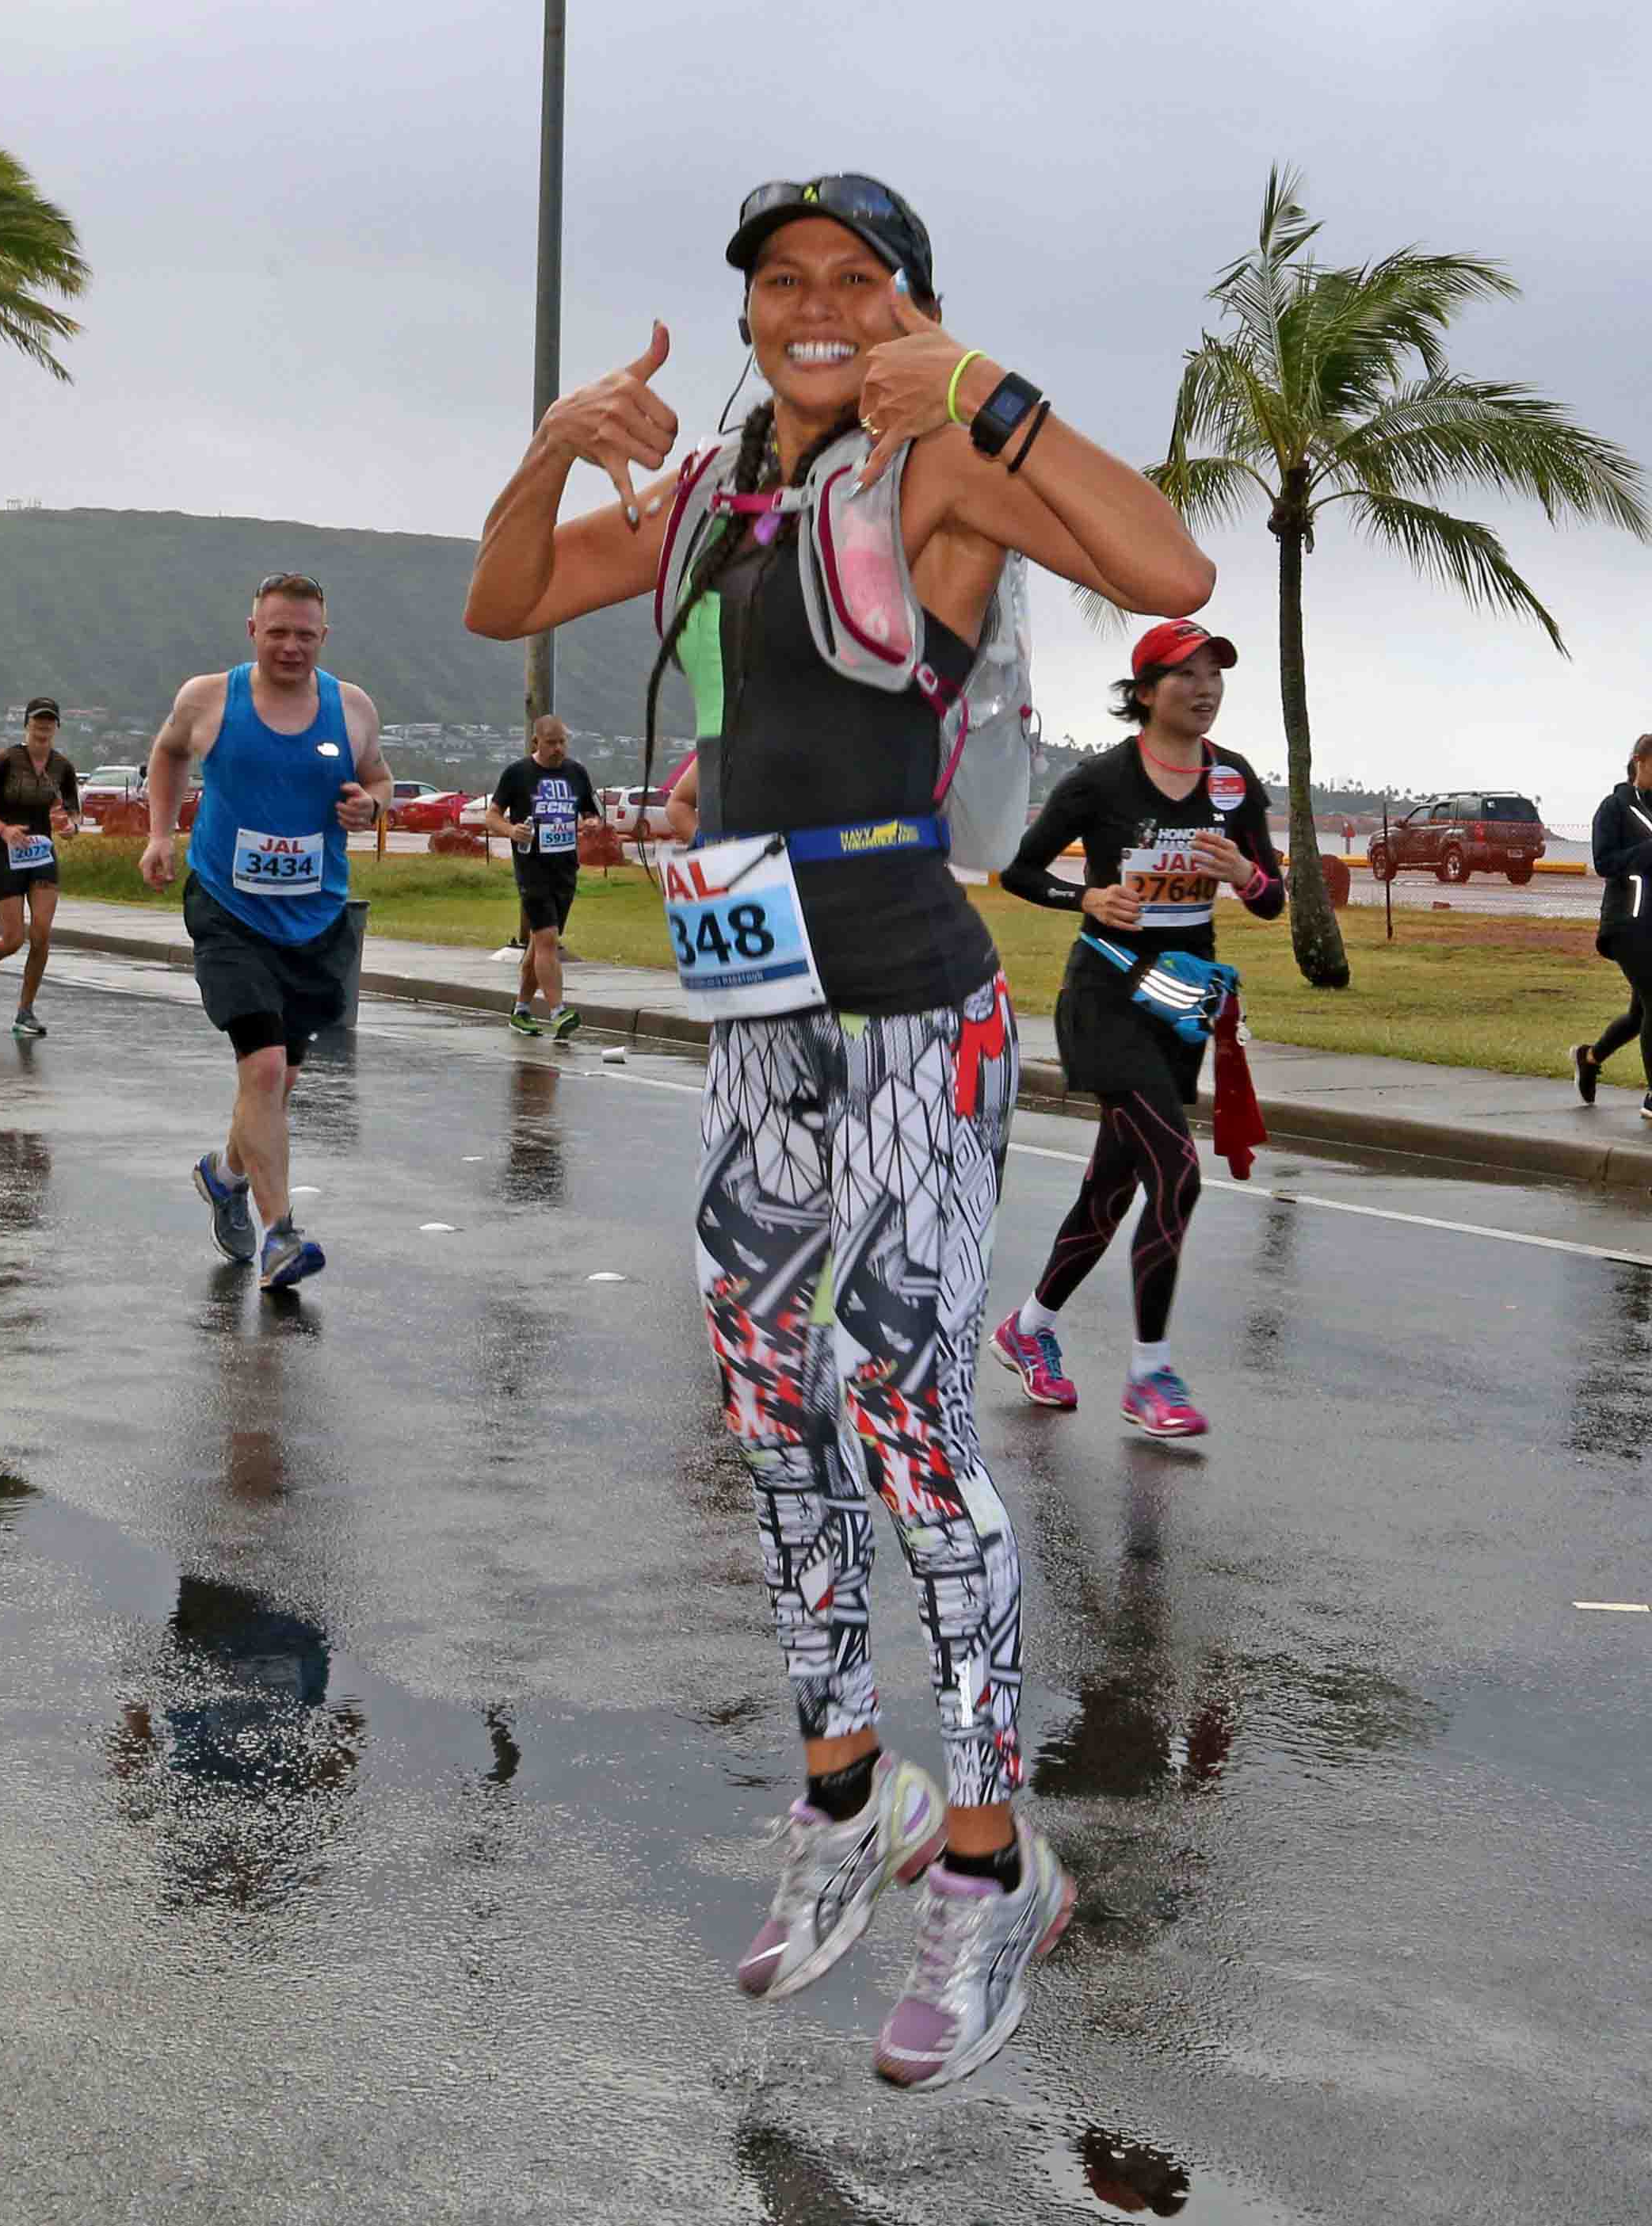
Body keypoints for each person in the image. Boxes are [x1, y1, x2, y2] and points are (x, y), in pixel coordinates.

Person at [460, 174, 1217, 2087]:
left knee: (898, 1408)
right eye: (781, 280)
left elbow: (1168, 571)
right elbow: (504, 597)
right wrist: (555, 443)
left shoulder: (933, 470)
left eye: (856, 282)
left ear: (906, 311)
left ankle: (989, 1864)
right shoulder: (711, 498)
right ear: (745, 312)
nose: (813, 306)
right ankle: (842, 1793)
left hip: (908, 998)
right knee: (763, 1399)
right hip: (757, 1008)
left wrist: (978, 387)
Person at [995, 621, 1280, 1438]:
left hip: (1181, 1005)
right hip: (1106, 997)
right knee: (1176, 1172)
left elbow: (1271, 899)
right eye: (1185, 674)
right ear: (1146, 691)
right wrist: (1084, 898)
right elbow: (1019, 869)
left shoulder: (1232, 782)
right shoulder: (1100, 782)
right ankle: (1150, 1374)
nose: (1205, 687)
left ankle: (1029, 1329)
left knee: (1111, 1189)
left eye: (1214, 673)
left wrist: (1245, 873)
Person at [143, 575, 389, 1290]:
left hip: (315, 917)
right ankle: (282, 1235)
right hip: (228, 908)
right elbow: (167, 753)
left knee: (279, 1086)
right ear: (253, 630)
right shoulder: (210, 697)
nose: (290, 646)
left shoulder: (352, 707)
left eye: (305, 634)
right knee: (264, 1068)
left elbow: (380, 780)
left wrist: (368, 807)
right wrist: (161, 835)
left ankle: (224, 1175)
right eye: (277, 631)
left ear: (324, 638)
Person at [0, 696, 81, 1037]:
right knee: (13, 939)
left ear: (57, 727)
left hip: (42, 855)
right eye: (37, 720)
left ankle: (25, 1011)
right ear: (27, 724)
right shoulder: (7, 759)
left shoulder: (63, 767)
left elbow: (73, 811)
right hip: (5, 855)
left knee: (41, 935)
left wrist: (70, 827)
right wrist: (2, 829)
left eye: (50, 721)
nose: (43, 726)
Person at [483, 715, 604, 1039]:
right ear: (536, 742)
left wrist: (592, 824)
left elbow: (591, 814)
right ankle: (558, 1012)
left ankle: (521, 1010)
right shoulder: (518, 774)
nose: (558, 748)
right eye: (552, 742)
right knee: (548, 939)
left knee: (539, 945)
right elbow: (491, 816)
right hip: (532, 868)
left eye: (563, 741)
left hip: (565, 869)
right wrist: (512, 830)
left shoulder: (576, 773)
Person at [1576, 733, 1652, 1119]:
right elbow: (1605, 862)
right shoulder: (1614, 808)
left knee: (1641, 1015)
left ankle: (1590, 1058)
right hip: (1626, 924)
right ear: (1640, 761)